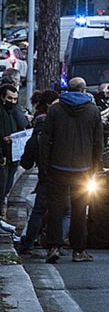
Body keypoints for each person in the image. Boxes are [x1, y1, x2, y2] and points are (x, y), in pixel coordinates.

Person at [40, 77, 103, 264]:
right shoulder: (93, 111)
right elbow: (97, 142)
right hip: (83, 169)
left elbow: (46, 139)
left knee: (55, 208)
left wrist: (45, 165)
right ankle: (78, 250)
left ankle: (54, 246)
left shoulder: (55, 110)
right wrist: (95, 167)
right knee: (79, 209)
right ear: (84, 90)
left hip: (57, 166)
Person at [19, 90, 60, 254]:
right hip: (55, 172)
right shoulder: (50, 123)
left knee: (40, 209)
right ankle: (53, 243)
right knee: (58, 209)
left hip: (45, 173)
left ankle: (32, 241)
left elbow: (28, 157)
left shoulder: (39, 123)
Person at [0, 85, 28, 217]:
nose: (13, 101)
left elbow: (21, 124)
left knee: (7, 186)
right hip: (3, 155)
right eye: (9, 98)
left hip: (13, 154)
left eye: (15, 99)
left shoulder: (13, 111)